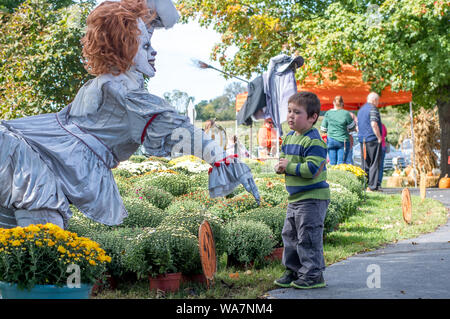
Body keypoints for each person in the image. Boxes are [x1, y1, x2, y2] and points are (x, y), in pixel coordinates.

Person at [0, 0, 260, 230]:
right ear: (124, 47)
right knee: (45, 237)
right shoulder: (125, 94)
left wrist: (149, 16)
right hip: (29, 159)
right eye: (145, 45)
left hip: (30, 150)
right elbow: (180, 129)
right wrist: (224, 159)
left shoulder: (103, 83)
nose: (154, 51)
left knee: (36, 235)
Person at [273, 91, 330, 289]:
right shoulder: (289, 138)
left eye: (297, 112)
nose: (290, 115)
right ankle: (294, 269)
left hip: (312, 198)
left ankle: (313, 273)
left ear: (313, 117)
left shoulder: (313, 141)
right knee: (290, 235)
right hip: (295, 198)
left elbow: (312, 170)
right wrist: (280, 167)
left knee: (308, 236)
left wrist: (288, 166)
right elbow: (284, 159)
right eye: (289, 111)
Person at [357, 92, 383, 191]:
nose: (378, 103)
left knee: (365, 163)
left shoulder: (361, 110)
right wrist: (379, 137)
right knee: (374, 162)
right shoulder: (373, 109)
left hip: (362, 140)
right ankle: (372, 186)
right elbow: (373, 124)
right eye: (378, 101)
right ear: (374, 100)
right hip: (372, 139)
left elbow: (358, 126)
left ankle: (365, 185)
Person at [320, 96, 356, 165]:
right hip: (343, 141)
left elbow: (323, 129)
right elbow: (352, 127)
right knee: (341, 163)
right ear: (342, 103)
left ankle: (332, 175)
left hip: (331, 140)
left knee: (332, 163)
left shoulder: (328, 113)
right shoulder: (346, 113)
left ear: (333, 103)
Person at [378, 123, 387, 188]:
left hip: (376, 147)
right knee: (380, 166)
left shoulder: (372, 125)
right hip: (383, 147)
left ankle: (374, 182)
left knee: (375, 165)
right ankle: (379, 182)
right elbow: (385, 134)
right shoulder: (383, 125)